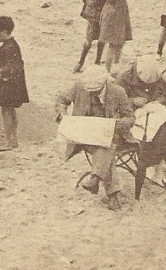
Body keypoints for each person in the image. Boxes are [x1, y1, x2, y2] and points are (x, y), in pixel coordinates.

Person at [55, 65, 134, 211]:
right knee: (106, 149)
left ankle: (98, 181)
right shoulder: (79, 86)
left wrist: (119, 124)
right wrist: (62, 113)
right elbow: (61, 99)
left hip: (111, 133)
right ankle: (105, 189)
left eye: (96, 91)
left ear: (104, 83)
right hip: (85, 133)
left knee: (106, 146)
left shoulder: (118, 91)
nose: (91, 94)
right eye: (89, 91)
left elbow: (130, 117)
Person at [0, 15, 29, 150]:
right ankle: (12, 140)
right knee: (10, 111)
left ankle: (10, 142)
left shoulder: (8, 47)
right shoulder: (12, 45)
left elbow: (12, 68)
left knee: (6, 111)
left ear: (4, 32)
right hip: (12, 85)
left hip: (8, 85)